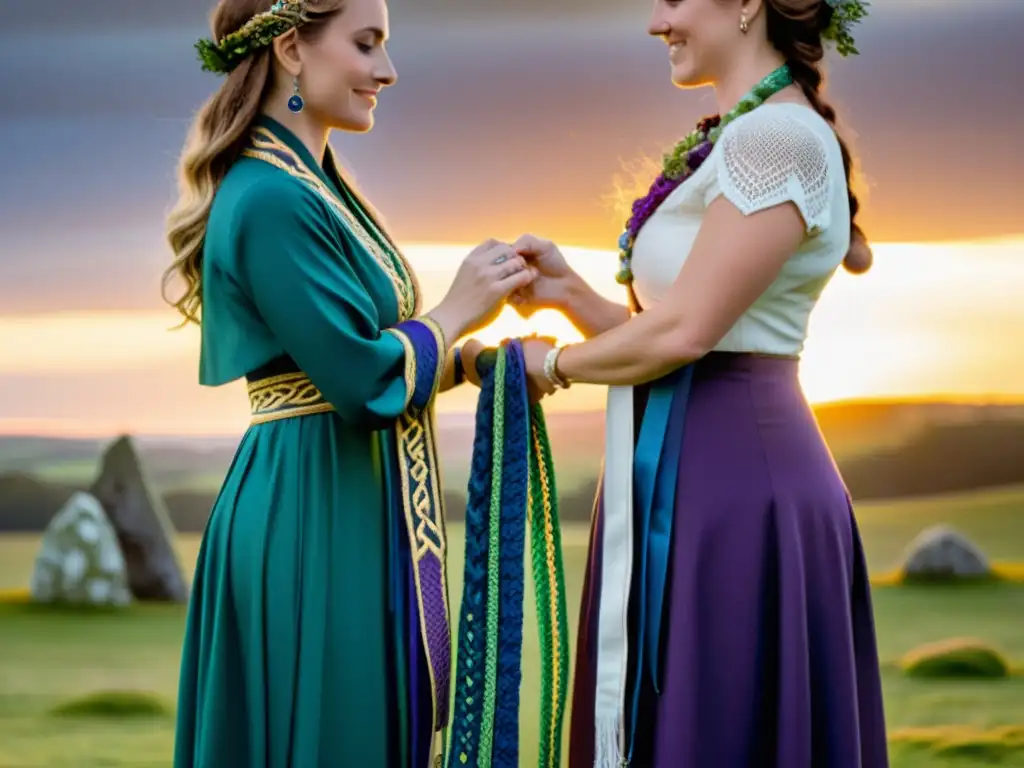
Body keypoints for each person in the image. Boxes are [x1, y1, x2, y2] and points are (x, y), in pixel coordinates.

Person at [510, 0, 888, 765]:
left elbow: (686, 334)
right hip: (687, 473)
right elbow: (681, 328)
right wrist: (570, 295)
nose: (658, 22)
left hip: (737, 490)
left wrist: (547, 367)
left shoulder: (776, 138)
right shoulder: (738, 136)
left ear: (748, 2)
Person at [163, 0, 533, 766]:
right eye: (367, 45)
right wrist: (459, 309)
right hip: (309, 508)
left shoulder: (315, 184)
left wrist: (475, 364)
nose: (387, 71)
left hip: (349, 494)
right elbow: (361, 383)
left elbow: (361, 354)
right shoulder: (269, 197)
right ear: (293, 48)